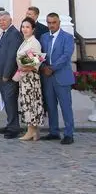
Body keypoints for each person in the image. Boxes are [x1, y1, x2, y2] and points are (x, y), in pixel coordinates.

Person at [39, 13, 76, 145]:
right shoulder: (44, 37)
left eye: (53, 22)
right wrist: (43, 67)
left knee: (66, 106)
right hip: (47, 77)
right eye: (49, 23)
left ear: (59, 22)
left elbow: (66, 56)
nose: (51, 25)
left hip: (61, 77)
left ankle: (69, 134)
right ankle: (54, 132)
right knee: (51, 106)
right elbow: (40, 54)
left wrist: (52, 68)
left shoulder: (68, 37)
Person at [0, 11, 23, 139]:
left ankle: (14, 128)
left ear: (10, 20)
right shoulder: (4, 33)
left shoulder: (14, 34)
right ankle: (10, 124)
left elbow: (11, 56)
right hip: (0, 75)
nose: (1, 22)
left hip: (7, 76)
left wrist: (6, 74)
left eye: (4, 20)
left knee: (10, 101)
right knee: (7, 101)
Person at [16, 18, 44, 142]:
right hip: (24, 76)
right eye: (23, 27)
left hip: (31, 77)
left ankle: (31, 130)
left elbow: (37, 61)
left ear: (33, 29)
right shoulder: (25, 41)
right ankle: (34, 131)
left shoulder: (34, 42)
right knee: (27, 103)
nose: (25, 29)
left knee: (31, 103)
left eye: (27, 27)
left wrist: (24, 66)